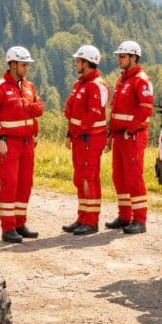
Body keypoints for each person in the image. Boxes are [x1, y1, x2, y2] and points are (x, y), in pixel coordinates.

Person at [0, 46, 44, 243]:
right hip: (9, 143)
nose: (27, 68)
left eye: (28, 65)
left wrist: (34, 132)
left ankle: (20, 223)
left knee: (25, 184)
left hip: (27, 143)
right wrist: (0, 137)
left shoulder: (29, 86)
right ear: (12, 64)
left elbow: (39, 109)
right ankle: (8, 228)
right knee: (10, 183)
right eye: (24, 64)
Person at [106, 40, 153, 235]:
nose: (119, 59)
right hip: (119, 136)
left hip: (133, 136)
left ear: (134, 57)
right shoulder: (122, 79)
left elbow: (145, 109)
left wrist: (130, 130)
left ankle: (139, 220)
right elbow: (116, 109)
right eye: (119, 56)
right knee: (119, 177)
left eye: (123, 56)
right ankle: (125, 216)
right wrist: (111, 134)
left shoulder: (141, 80)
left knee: (134, 178)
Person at [62, 45, 109, 236]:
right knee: (80, 178)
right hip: (79, 138)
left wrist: (78, 129)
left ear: (86, 63)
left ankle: (91, 221)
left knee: (90, 178)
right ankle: (82, 217)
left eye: (78, 61)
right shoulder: (80, 84)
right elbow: (70, 109)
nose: (76, 64)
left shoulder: (96, 85)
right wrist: (69, 133)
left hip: (90, 138)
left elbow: (93, 113)